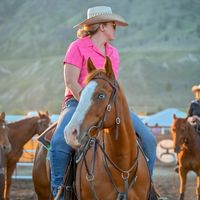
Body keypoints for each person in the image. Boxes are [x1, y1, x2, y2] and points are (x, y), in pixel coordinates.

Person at [49, 6, 157, 199]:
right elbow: (71, 81)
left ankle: (147, 188)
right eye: (112, 24)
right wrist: (88, 105)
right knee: (58, 143)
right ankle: (60, 191)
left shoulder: (113, 53)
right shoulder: (77, 46)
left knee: (149, 139)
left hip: (109, 106)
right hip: (77, 103)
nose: (115, 27)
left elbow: (111, 85)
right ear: (101, 27)